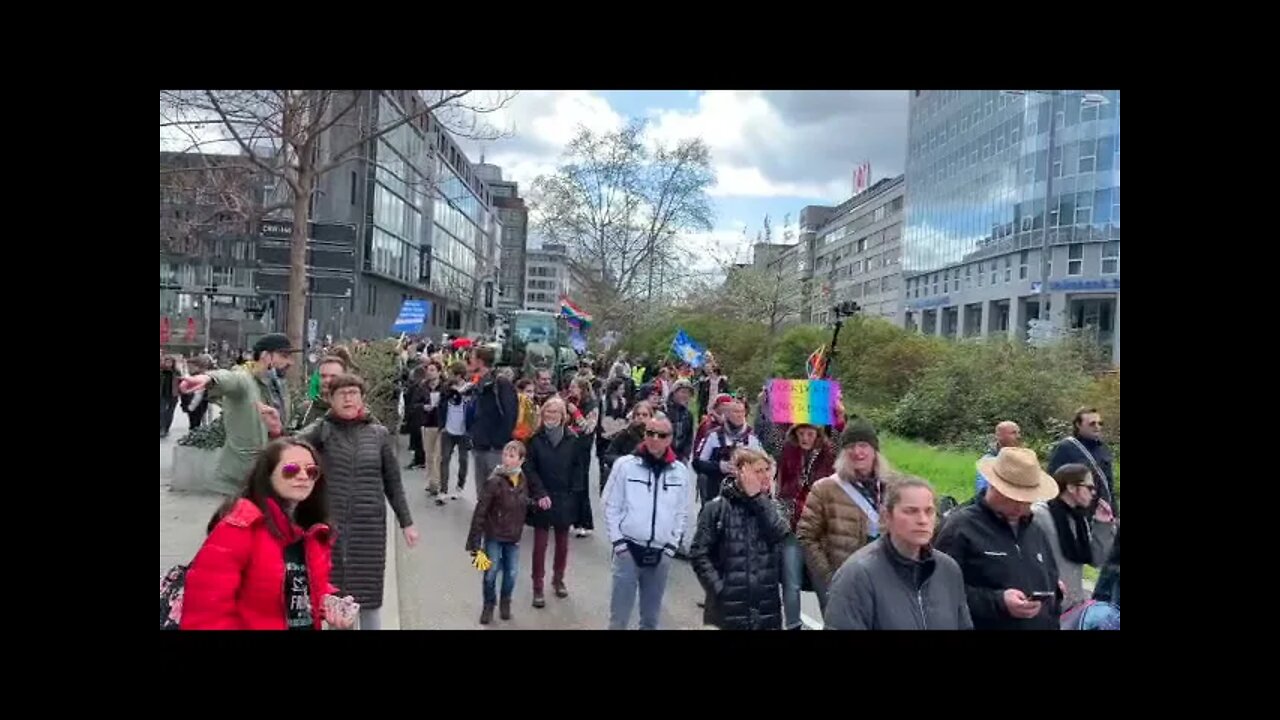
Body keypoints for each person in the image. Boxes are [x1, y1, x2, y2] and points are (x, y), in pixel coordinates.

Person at [181, 437, 355, 630]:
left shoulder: (314, 531)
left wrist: (328, 604)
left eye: (311, 471)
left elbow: (299, 589)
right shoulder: (239, 527)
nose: (303, 476)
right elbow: (205, 615)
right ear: (268, 475)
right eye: (291, 470)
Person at [297, 374, 418, 630]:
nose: (348, 398)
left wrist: (406, 522)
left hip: (369, 529)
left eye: (353, 393)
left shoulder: (378, 434)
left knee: (369, 600)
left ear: (362, 398)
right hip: (332, 526)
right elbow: (290, 448)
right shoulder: (322, 430)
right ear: (331, 400)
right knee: (335, 599)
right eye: (341, 394)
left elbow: (393, 483)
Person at [935, 446, 1062, 631]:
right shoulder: (960, 526)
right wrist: (998, 602)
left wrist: (1055, 594)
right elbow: (939, 591)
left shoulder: (1035, 529)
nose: (1020, 507)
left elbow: (1051, 577)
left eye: (1027, 500)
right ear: (993, 486)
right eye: (1013, 498)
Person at [823, 478, 972, 630]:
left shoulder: (948, 570)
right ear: (887, 516)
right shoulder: (858, 575)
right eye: (911, 511)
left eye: (929, 511)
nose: (923, 520)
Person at [796, 419, 908, 612]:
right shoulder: (825, 488)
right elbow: (806, 536)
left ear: (874, 450)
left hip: (888, 582)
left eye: (863, 445)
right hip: (843, 584)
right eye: (851, 446)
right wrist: (829, 578)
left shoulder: (897, 485)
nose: (858, 452)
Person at [178, 333, 299, 496]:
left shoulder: (278, 386)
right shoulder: (245, 379)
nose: (289, 362)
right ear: (265, 356)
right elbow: (229, 378)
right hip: (239, 481)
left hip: (268, 476)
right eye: (284, 356)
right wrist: (208, 378)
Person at [603, 414, 692, 630]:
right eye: (650, 433)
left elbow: (682, 512)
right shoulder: (625, 466)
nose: (654, 439)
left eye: (661, 435)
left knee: (651, 620)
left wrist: (671, 546)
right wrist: (619, 543)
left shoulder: (680, 472)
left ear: (670, 439)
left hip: (660, 553)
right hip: (628, 550)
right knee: (619, 619)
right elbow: (609, 505)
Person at [690, 447, 789, 630]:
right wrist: (719, 589)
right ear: (741, 473)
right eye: (758, 471)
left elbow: (780, 536)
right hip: (727, 611)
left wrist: (758, 499)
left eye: (767, 471)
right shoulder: (717, 509)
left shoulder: (772, 507)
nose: (765, 476)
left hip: (766, 610)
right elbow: (699, 554)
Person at [1031, 463, 1117, 613]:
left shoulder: (1079, 519)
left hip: (1073, 606)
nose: (1094, 492)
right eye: (1089, 487)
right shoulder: (1040, 515)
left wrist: (1102, 525)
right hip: (1047, 607)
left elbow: (1097, 560)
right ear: (1071, 488)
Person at [776, 423, 836, 630]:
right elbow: (769, 435)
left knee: (823, 584)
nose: (805, 438)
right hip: (792, 527)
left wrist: (838, 416)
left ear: (817, 435)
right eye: (801, 433)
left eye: (810, 433)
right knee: (791, 582)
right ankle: (793, 625)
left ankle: (832, 625)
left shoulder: (827, 455)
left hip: (818, 530)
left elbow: (840, 441)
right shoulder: (788, 452)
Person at [522, 398, 580, 608]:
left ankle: (558, 579)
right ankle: (538, 587)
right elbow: (529, 469)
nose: (551, 416)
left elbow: (578, 470)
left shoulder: (572, 439)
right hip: (542, 497)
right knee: (539, 545)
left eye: (555, 412)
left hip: (564, 496)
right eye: (547, 412)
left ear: (563, 415)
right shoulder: (534, 440)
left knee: (563, 544)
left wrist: (573, 495)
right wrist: (539, 493)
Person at [466, 441, 531, 625]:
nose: (507, 460)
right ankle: (488, 604)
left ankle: (505, 601)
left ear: (521, 460)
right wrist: (475, 541)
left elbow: (524, 504)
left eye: (512, 456)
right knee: (490, 572)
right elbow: (481, 510)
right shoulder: (494, 481)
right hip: (494, 535)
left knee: (511, 573)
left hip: (513, 536)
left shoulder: (523, 481)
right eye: (505, 455)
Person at [469, 346, 518, 498]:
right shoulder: (478, 383)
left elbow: (511, 414)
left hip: (494, 447)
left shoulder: (500, 383)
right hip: (479, 445)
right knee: (482, 492)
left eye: (471, 357)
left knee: (496, 490)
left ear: (480, 361)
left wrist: (499, 441)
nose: (469, 361)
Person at [1048, 407, 1117, 515]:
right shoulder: (1066, 448)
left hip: (1104, 512)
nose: (1097, 427)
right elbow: (1053, 483)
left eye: (1100, 423)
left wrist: (1115, 513)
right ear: (1078, 425)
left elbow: (1109, 485)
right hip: (1079, 512)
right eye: (1092, 424)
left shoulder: (1102, 448)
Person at [693, 400, 761, 508]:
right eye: (735, 412)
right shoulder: (713, 436)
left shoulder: (751, 438)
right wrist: (720, 466)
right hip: (715, 494)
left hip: (743, 498)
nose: (739, 415)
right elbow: (697, 463)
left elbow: (763, 465)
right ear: (727, 414)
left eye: (741, 412)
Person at [565, 377, 599, 538]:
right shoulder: (570, 402)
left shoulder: (592, 406)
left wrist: (575, 413)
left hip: (582, 450)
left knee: (581, 485)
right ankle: (571, 519)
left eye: (574, 387)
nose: (571, 390)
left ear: (582, 389)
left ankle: (585, 522)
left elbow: (588, 428)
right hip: (568, 448)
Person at [436, 362, 474, 503]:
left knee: (463, 460)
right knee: (444, 459)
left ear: (459, 375)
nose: (449, 376)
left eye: (452, 373)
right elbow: (440, 407)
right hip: (448, 429)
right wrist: (442, 425)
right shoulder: (446, 389)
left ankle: (460, 486)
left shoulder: (470, 389)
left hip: (463, 431)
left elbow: (474, 409)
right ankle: (443, 490)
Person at [601, 401, 655, 489]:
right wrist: (626, 461)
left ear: (651, 417)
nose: (641, 417)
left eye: (645, 415)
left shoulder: (656, 436)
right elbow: (608, 456)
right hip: (626, 480)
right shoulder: (625, 434)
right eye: (638, 415)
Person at [410, 361, 446, 490]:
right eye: (428, 370)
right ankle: (431, 480)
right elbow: (414, 404)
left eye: (432, 370)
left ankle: (436, 483)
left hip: (441, 424)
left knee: (438, 455)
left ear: (439, 372)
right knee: (429, 455)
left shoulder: (444, 387)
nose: (430, 373)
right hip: (427, 423)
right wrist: (424, 406)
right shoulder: (422, 387)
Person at [295, 355, 348, 430]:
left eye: (333, 376)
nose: (327, 380)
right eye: (323, 376)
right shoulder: (305, 410)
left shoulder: (353, 410)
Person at [975, 421, 1022, 496]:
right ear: (999, 436)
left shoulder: (1024, 459)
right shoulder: (987, 462)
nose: (1018, 436)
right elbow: (982, 492)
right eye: (1013, 433)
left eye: (1018, 433)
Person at [597, 377, 631, 479]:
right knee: (602, 459)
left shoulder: (623, 402)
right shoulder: (603, 401)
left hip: (617, 434)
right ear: (614, 389)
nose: (623, 391)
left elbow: (623, 418)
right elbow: (600, 418)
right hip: (604, 435)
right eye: (621, 389)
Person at [403, 362, 429, 470]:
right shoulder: (421, 386)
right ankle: (420, 460)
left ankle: (419, 460)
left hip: (417, 416)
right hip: (419, 416)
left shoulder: (417, 387)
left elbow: (410, 401)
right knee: (419, 440)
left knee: (418, 440)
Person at [665, 378, 696, 463]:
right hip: (663, 455)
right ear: (674, 393)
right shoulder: (664, 410)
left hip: (680, 457)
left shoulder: (688, 415)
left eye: (688, 393)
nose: (685, 396)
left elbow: (689, 438)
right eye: (683, 392)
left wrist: (685, 456)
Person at [180, 355, 214, 431]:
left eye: (192, 367)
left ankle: (199, 430)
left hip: (200, 402)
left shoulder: (203, 376)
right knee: (193, 420)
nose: (190, 368)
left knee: (197, 419)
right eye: (189, 367)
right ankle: (194, 431)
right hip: (190, 401)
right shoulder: (189, 377)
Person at [160, 355, 181, 438]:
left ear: (173, 363)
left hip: (173, 395)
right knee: (161, 411)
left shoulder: (176, 372)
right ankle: (161, 428)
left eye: (170, 362)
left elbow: (181, 383)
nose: (168, 364)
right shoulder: (161, 371)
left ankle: (166, 428)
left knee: (170, 412)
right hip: (162, 394)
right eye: (166, 362)